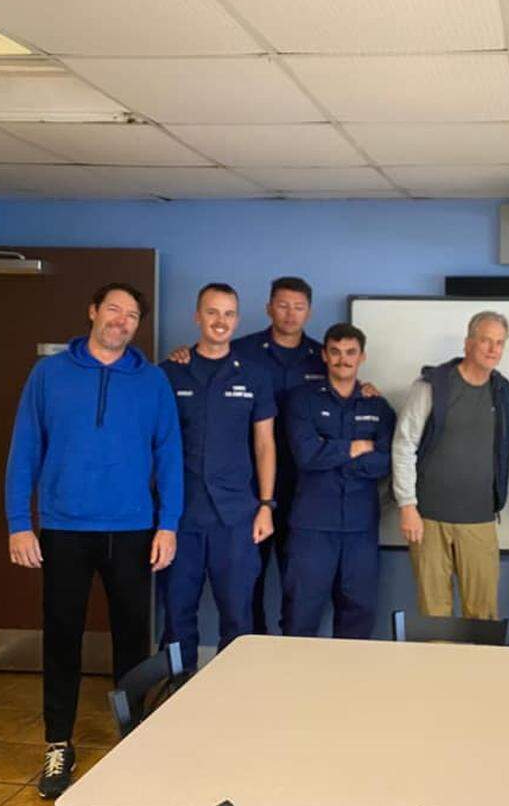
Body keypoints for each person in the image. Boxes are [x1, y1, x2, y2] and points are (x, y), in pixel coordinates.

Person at [5, 283, 182, 799]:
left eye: (131, 315)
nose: (121, 321)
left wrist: (167, 523)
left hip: (133, 531)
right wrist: (20, 522)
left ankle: (135, 738)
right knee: (61, 640)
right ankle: (58, 743)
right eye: (113, 310)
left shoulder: (152, 382)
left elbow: (169, 455)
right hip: (64, 529)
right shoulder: (49, 375)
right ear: (92, 312)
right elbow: (24, 450)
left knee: (133, 643)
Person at [168, 276, 324, 634]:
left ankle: (273, 674)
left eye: (298, 306)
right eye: (282, 304)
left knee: (297, 588)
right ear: (268, 307)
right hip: (240, 492)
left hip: (302, 490)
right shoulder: (235, 356)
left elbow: (345, 384)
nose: (290, 313)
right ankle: (189, 683)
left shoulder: (322, 358)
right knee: (238, 597)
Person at [391, 311, 509, 620]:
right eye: (486, 340)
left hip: (479, 521)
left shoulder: (502, 390)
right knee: (434, 616)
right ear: (469, 342)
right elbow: (404, 445)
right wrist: (407, 506)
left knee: (483, 616)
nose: (493, 349)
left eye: (500, 343)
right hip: (428, 520)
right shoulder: (432, 386)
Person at [159, 283, 276, 672]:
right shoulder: (170, 372)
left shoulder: (255, 375)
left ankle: (235, 701)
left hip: (236, 517)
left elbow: (264, 444)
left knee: (238, 619)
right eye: (212, 312)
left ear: (237, 320)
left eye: (228, 314)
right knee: (177, 618)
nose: (220, 321)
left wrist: (265, 505)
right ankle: (175, 699)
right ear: (197, 316)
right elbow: (153, 443)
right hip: (181, 516)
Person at [283, 323, 395, 638]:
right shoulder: (302, 400)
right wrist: (357, 448)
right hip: (312, 527)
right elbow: (306, 455)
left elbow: (386, 462)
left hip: (360, 529)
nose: (342, 360)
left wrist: (332, 456)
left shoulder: (379, 406)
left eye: (350, 353)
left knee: (358, 616)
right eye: (335, 351)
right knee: (300, 615)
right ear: (324, 355)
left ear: (362, 357)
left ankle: (349, 686)